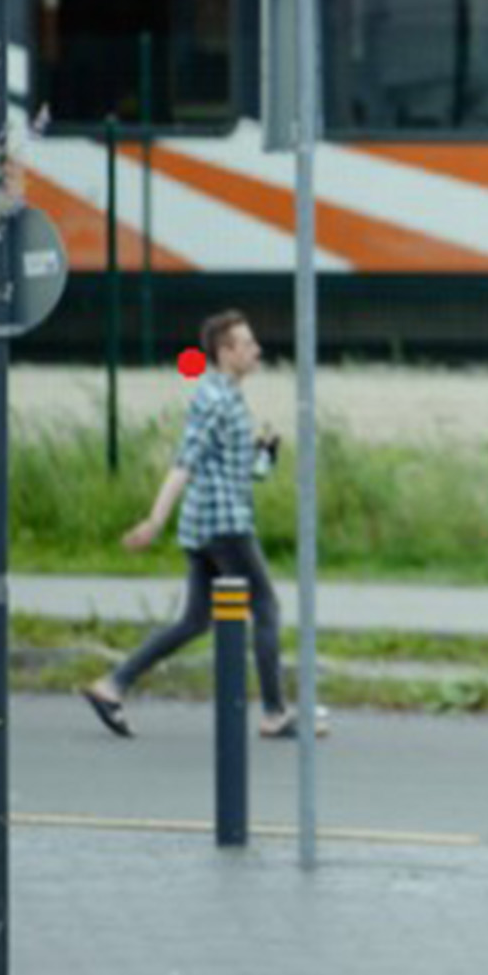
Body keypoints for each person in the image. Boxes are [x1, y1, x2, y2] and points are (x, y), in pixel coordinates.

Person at [82, 310, 315, 739]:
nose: (256, 350)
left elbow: (242, 472)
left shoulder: (227, 396)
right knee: (266, 609)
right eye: (247, 344)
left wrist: (266, 452)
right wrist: (154, 519)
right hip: (224, 526)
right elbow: (184, 463)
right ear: (226, 352)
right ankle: (274, 712)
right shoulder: (216, 399)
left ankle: (112, 685)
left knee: (195, 620)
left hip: (206, 526)